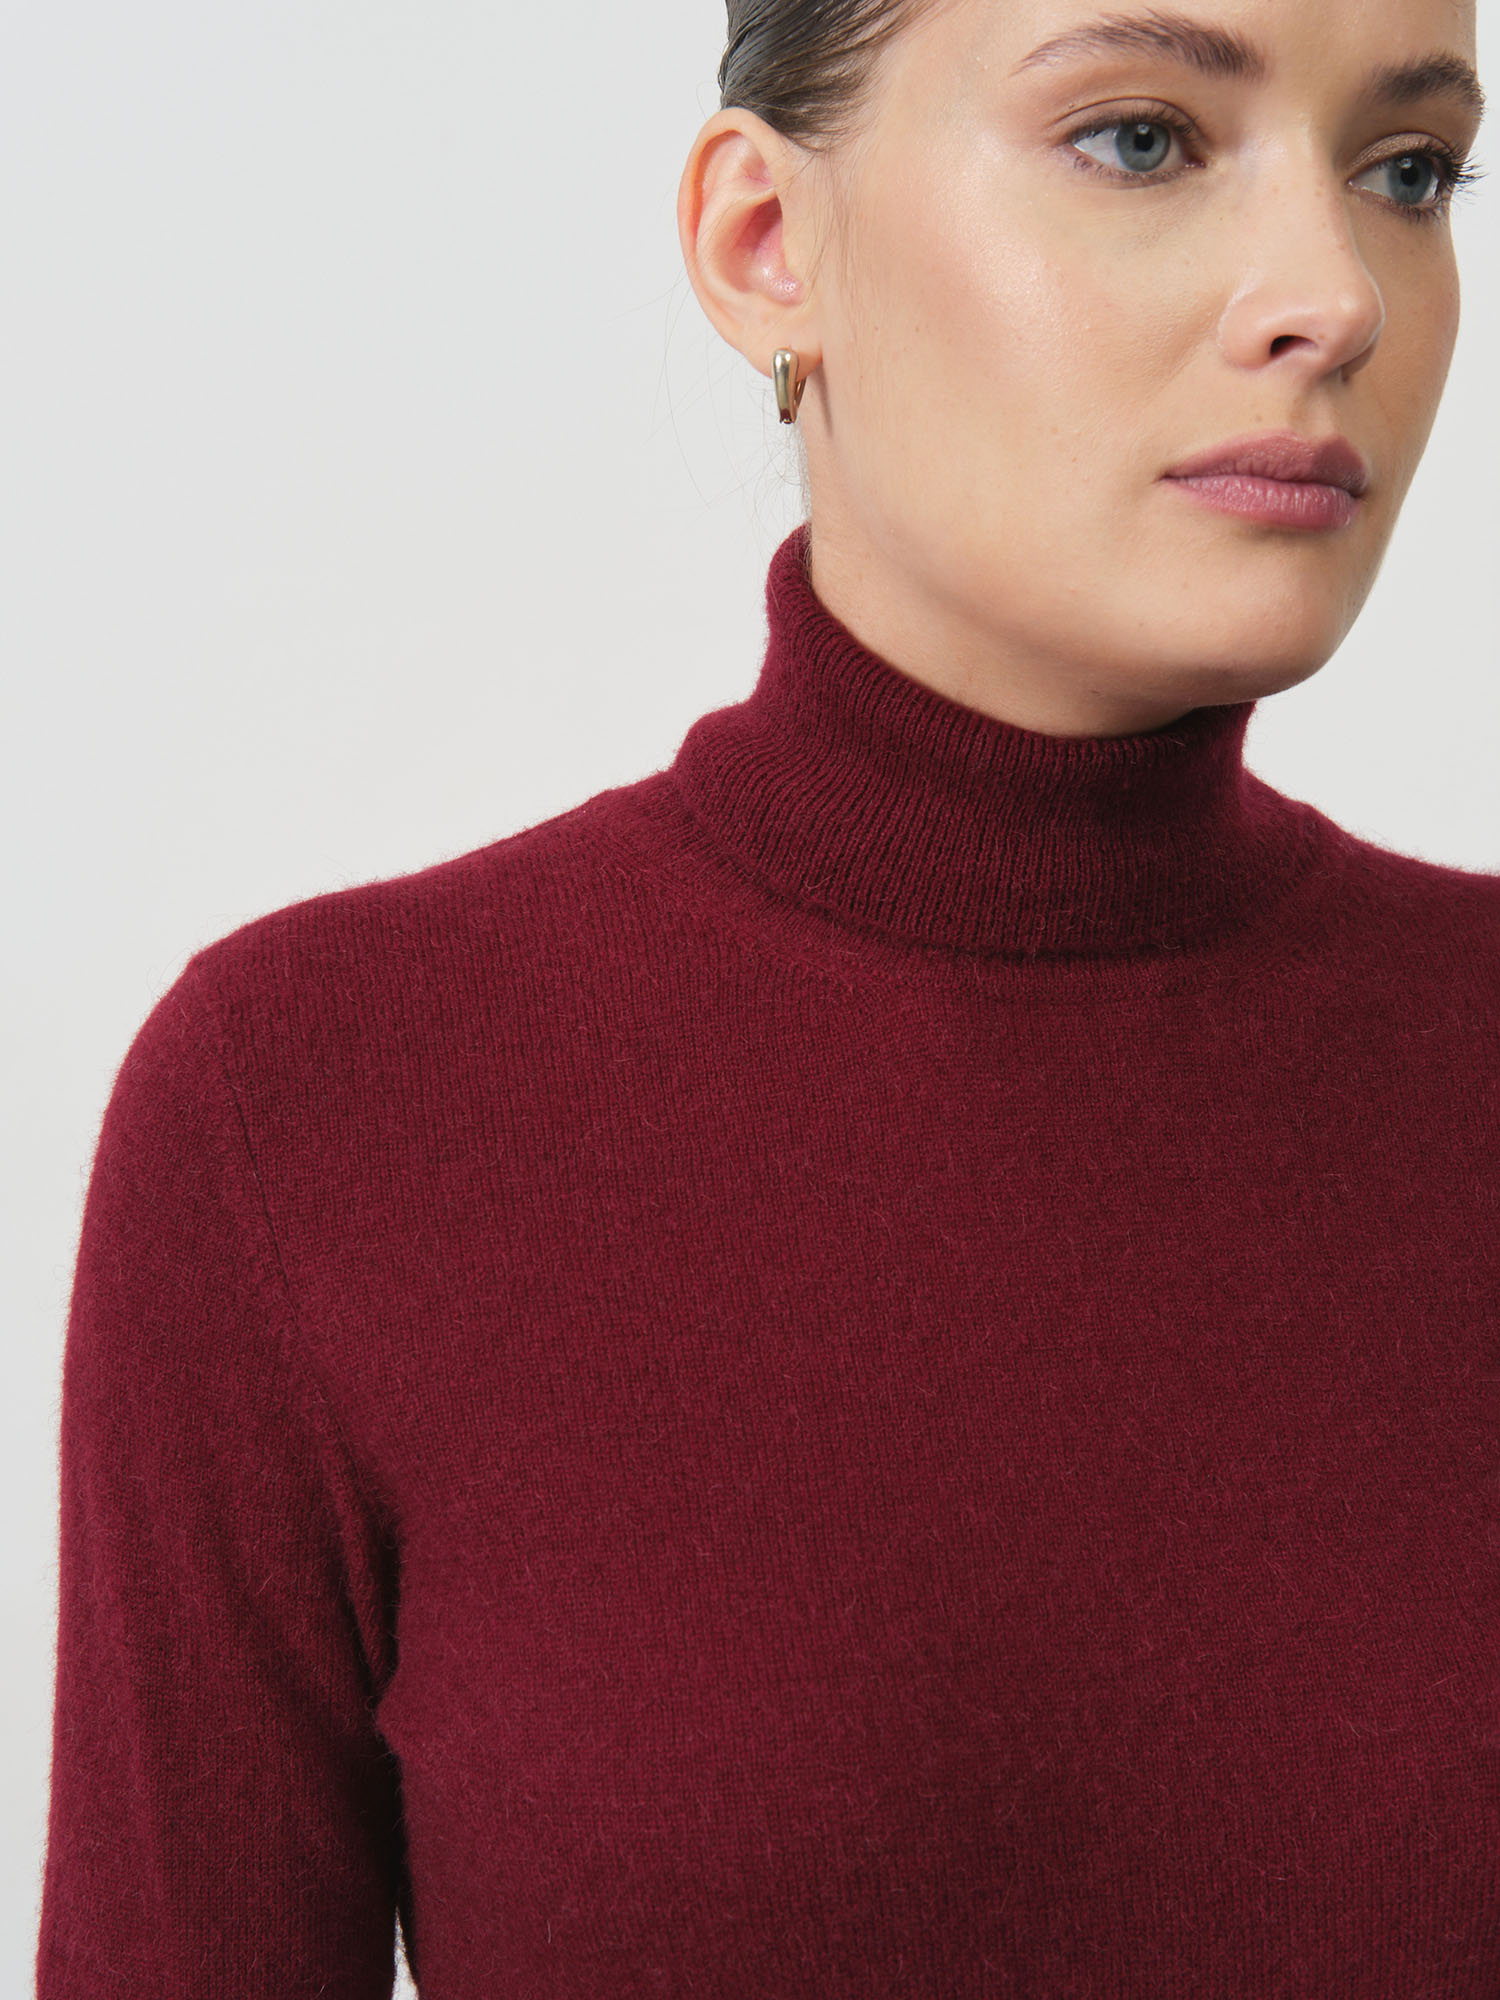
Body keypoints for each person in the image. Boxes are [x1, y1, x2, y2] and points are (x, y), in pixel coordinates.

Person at [34, 0, 1497, 1993]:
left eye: (1409, 170)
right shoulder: (311, 1109)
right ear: (764, 242)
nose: (1336, 297)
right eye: (1142, 140)